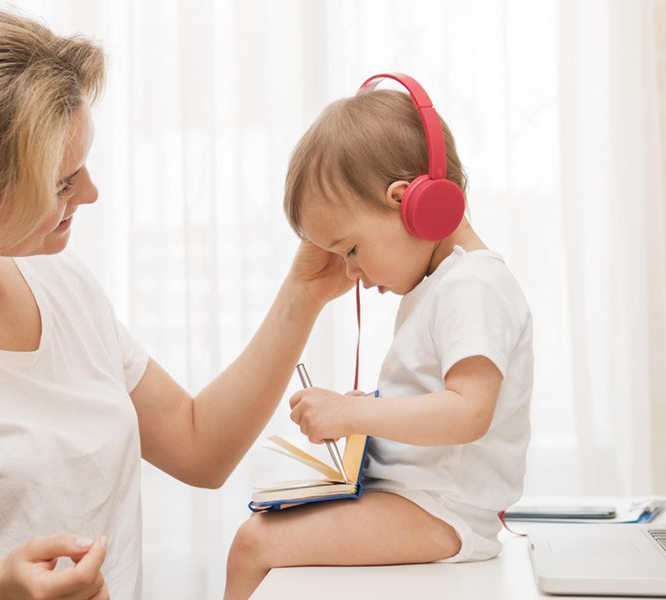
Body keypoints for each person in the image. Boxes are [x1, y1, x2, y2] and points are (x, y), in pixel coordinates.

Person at [0, 7, 354, 600]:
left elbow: (199, 448)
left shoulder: (55, 283)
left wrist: (305, 293)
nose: (91, 193)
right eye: (61, 183)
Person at [224, 75, 533, 598]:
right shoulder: (441, 286)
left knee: (255, 543)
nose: (350, 273)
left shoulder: (474, 285)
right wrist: (368, 411)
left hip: (444, 513)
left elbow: (468, 413)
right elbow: (436, 403)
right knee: (260, 535)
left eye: (349, 249)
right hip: (421, 501)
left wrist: (352, 415)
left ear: (408, 203)